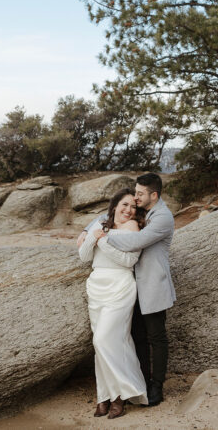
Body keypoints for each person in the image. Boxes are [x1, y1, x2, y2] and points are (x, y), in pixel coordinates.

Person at [78, 172, 175, 407]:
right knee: (137, 337)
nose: (136, 197)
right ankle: (138, 384)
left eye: (140, 193)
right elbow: (110, 213)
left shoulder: (162, 217)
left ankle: (157, 387)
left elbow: (134, 242)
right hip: (129, 286)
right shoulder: (140, 210)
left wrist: (101, 236)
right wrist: (87, 229)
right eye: (135, 192)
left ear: (154, 194)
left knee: (156, 337)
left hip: (152, 283)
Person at [78, 189, 148, 419]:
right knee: (103, 345)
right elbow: (85, 257)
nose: (128, 210)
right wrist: (93, 237)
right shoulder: (100, 224)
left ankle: (122, 395)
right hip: (96, 286)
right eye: (124, 205)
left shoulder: (134, 229)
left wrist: (104, 242)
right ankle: (103, 397)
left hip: (121, 286)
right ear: (115, 205)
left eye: (133, 207)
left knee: (104, 339)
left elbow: (130, 260)